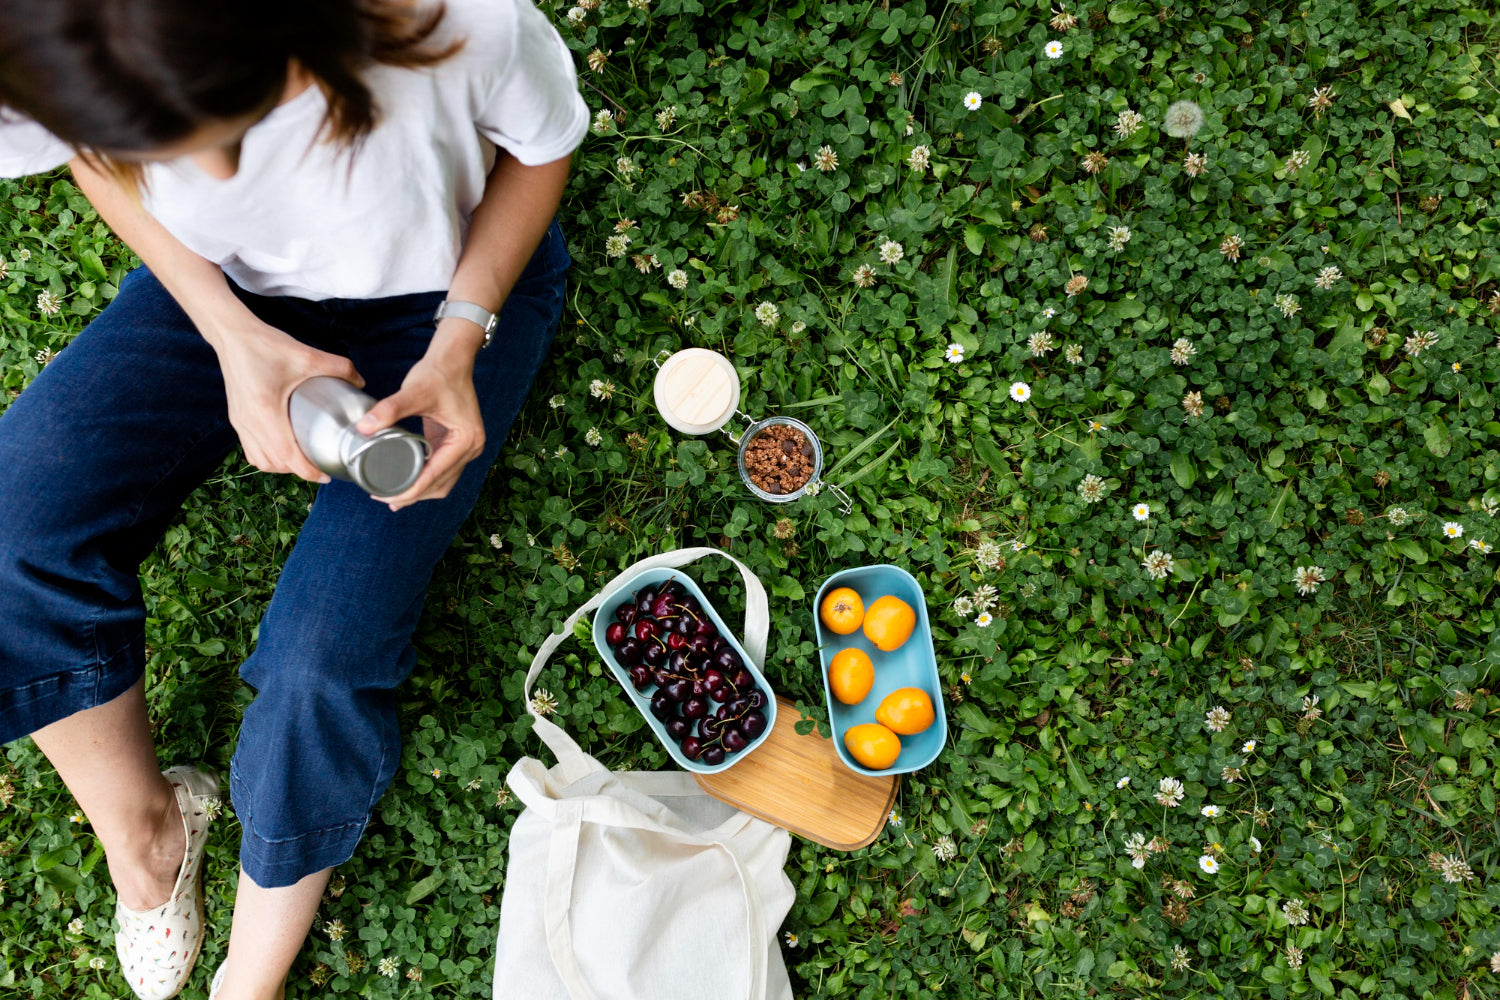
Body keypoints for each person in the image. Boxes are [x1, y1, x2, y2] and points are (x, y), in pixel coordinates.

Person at [0, 1, 587, 997]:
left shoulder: (460, 23)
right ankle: (147, 836)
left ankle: (251, 970)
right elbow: (96, 158)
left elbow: (540, 154)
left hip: (447, 291)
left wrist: (461, 336)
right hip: (230, 293)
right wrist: (229, 332)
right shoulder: (55, 40)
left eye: (234, 129)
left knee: (321, 654)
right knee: (12, 524)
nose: (218, 175)